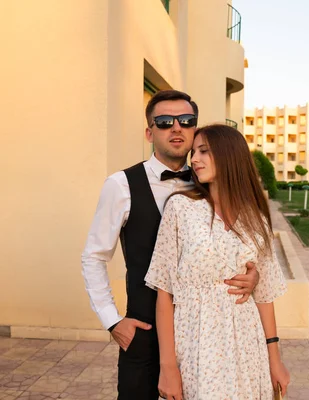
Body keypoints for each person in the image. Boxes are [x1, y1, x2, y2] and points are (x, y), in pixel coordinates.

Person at [81, 90, 259, 399]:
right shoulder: (121, 185)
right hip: (146, 331)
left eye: (186, 121)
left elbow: (241, 242)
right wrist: (112, 321)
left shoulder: (212, 181)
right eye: (164, 122)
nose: (176, 128)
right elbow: (94, 256)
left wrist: (252, 274)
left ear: (195, 130)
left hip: (204, 334)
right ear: (150, 132)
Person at [144, 124, 291, 400]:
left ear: (229, 155)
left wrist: (275, 359)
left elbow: (265, 296)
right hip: (198, 344)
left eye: (204, 151)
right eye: (193, 152)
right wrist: (168, 366)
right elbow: (164, 292)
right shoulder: (181, 208)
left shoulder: (256, 220)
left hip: (248, 347)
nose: (194, 159)